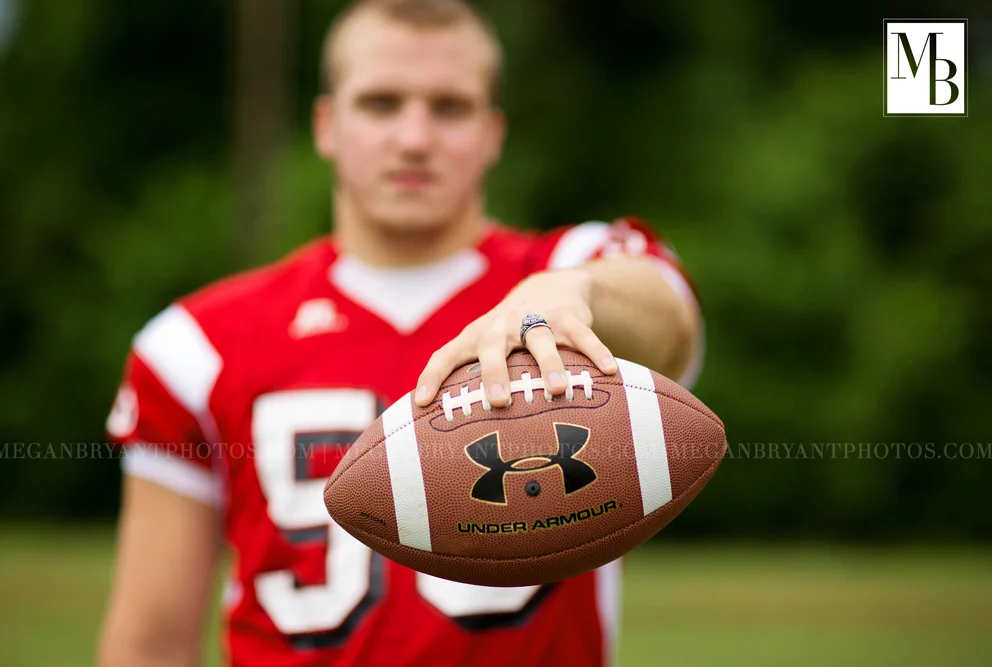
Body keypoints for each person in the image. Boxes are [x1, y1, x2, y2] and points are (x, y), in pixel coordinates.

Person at [96, 0, 704, 665]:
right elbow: (150, 643)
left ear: (493, 131)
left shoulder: (566, 271)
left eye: (449, 107)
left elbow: (669, 319)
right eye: (381, 104)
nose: (414, 137)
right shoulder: (197, 343)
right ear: (326, 125)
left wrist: (567, 292)